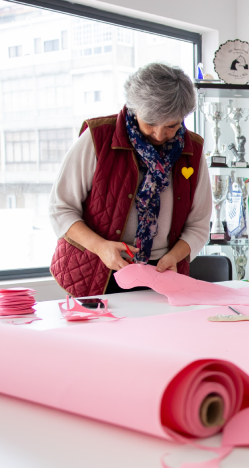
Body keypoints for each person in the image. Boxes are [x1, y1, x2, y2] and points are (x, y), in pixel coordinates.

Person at [49, 63, 211, 297]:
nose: (159, 135)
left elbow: (198, 225)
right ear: (134, 110)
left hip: (164, 273)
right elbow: (60, 208)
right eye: (150, 123)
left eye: (171, 126)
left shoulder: (192, 150)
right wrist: (100, 247)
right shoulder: (97, 138)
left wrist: (174, 257)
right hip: (99, 270)